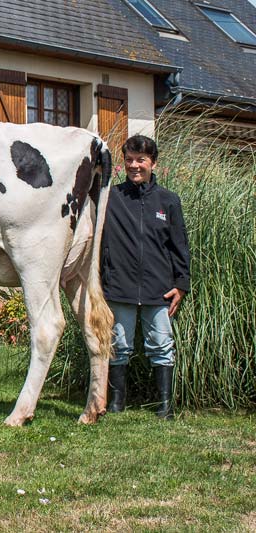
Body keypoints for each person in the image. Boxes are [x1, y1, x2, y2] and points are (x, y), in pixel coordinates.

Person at [101, 134, 191, 419]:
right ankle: (117, 403)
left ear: (153, 163)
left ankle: (165, 407)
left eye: (141, 160)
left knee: (162, 347)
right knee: (119, 346)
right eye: (129, 160)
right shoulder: (111, 197)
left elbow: (180, 246)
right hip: (119, 287)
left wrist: (181, 285)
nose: (134, 166)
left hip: (159, 289)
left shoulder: (169, 201)